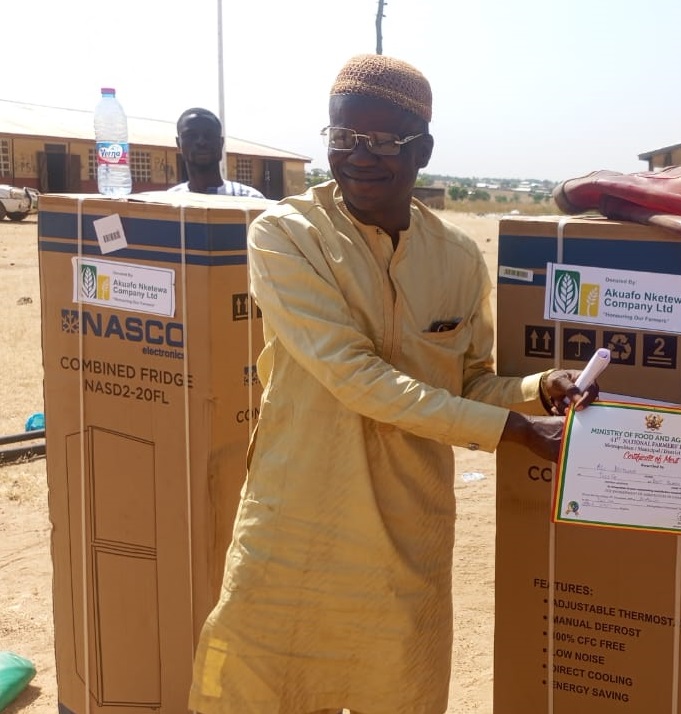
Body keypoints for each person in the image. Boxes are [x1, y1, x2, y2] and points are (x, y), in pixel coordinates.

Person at [187, 54, 595, 714]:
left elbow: (464, 382)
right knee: (262, 690)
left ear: (423, 150)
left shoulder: (457, 258)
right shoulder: (287, 237)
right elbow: (353, 375)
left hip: (408, 532)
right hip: (297, 523)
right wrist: (515, 431)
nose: (358, 157)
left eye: (381, 141)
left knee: (400, 689)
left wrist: (537, 391)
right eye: (343, 138)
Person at [169, 107, 267, 197]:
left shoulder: (250, 199)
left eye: (209, 135)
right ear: (179, 143)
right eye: (191, 135)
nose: (201, 142)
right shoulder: (168, 203)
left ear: (221, 143)